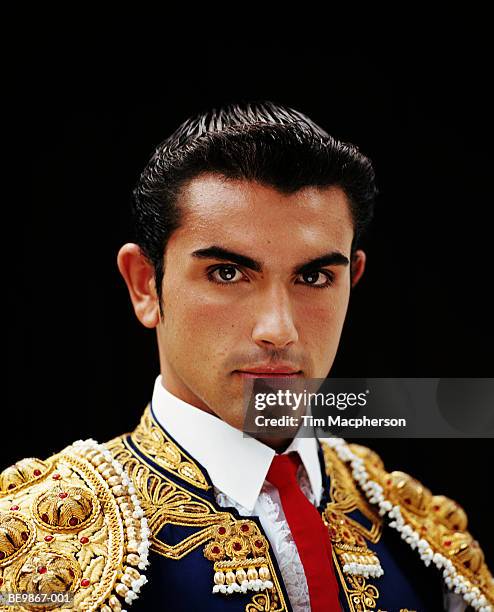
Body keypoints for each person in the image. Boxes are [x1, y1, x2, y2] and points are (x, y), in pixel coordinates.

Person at [1, 101, 492, 612]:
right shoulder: (40, 543)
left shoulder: (421, 535)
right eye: (227, 273)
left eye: (314, 277)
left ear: (353, 282)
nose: (277, 329)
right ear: (145, 285)